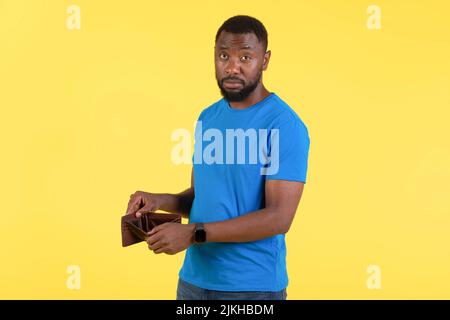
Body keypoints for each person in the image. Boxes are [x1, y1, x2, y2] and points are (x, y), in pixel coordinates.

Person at [125, 15, 310, 300]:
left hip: (251, 289)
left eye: (246, 57)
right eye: (224, 55)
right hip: (193, 283)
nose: (232, 67)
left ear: (265, 60)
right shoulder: (208, 118)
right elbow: (202, 197)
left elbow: (279, 217)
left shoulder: (283, 124)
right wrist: (159, 200)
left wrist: (193, 233)